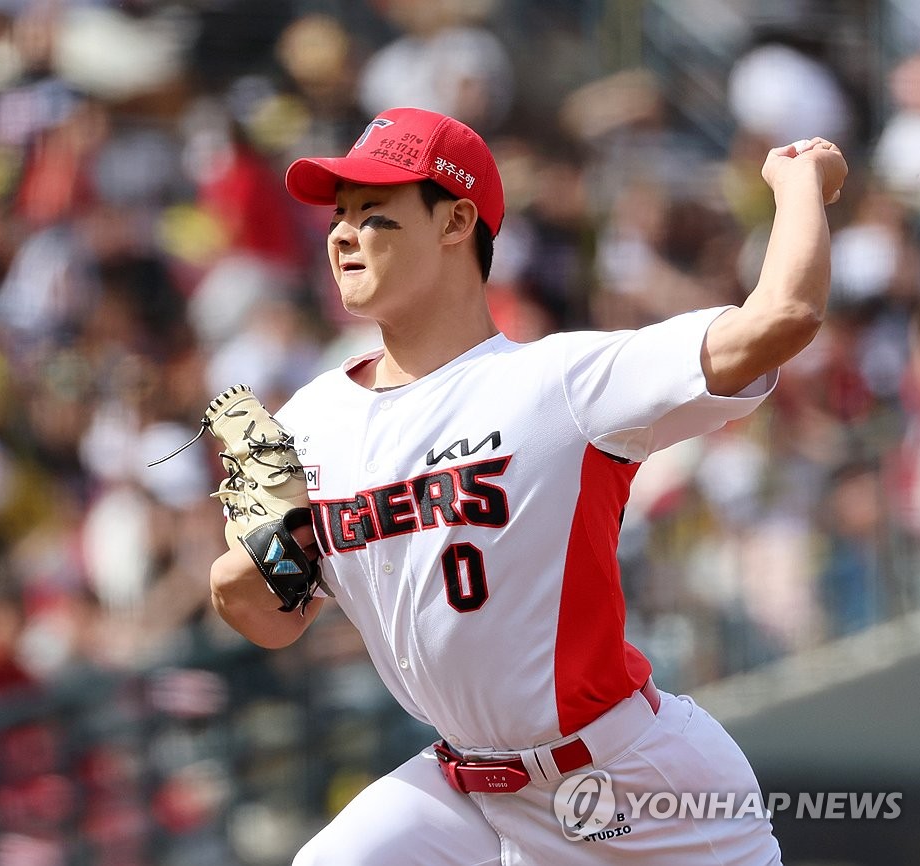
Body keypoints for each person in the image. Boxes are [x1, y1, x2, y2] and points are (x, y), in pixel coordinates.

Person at [208, 106, 847, 864]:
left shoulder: (557, 385)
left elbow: (782, 318)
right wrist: (258, 554)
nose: (342, 234)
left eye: (374, 214)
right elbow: (271, 619)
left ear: (456, 222)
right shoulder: (307, 422)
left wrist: (799, 181)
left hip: (634, 786)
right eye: (339, 215)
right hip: (468, 793)